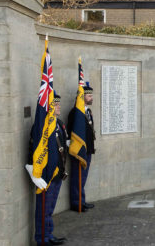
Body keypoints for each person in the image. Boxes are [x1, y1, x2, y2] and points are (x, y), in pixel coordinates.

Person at [27, 91, 68, 246]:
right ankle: (42, 238)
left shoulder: (59, 123)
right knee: (43, 209)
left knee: (49, 208)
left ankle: (48, 234)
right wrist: (33, 172)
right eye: (55, 104)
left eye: (58, 104)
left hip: (57, 172)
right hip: (46, 174)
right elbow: (34, 149)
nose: (58, 107)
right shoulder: (40, 127)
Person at [67, 82, 96, 212]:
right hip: (79, 150)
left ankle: (81, 200)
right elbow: (71, 131)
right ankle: (76, 203)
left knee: (83, 177)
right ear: (82, 97)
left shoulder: (87, 111)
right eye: (88, 95)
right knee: (77, 177)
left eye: (91, 95)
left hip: (88, 149)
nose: (91, 97)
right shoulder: (75, 113)